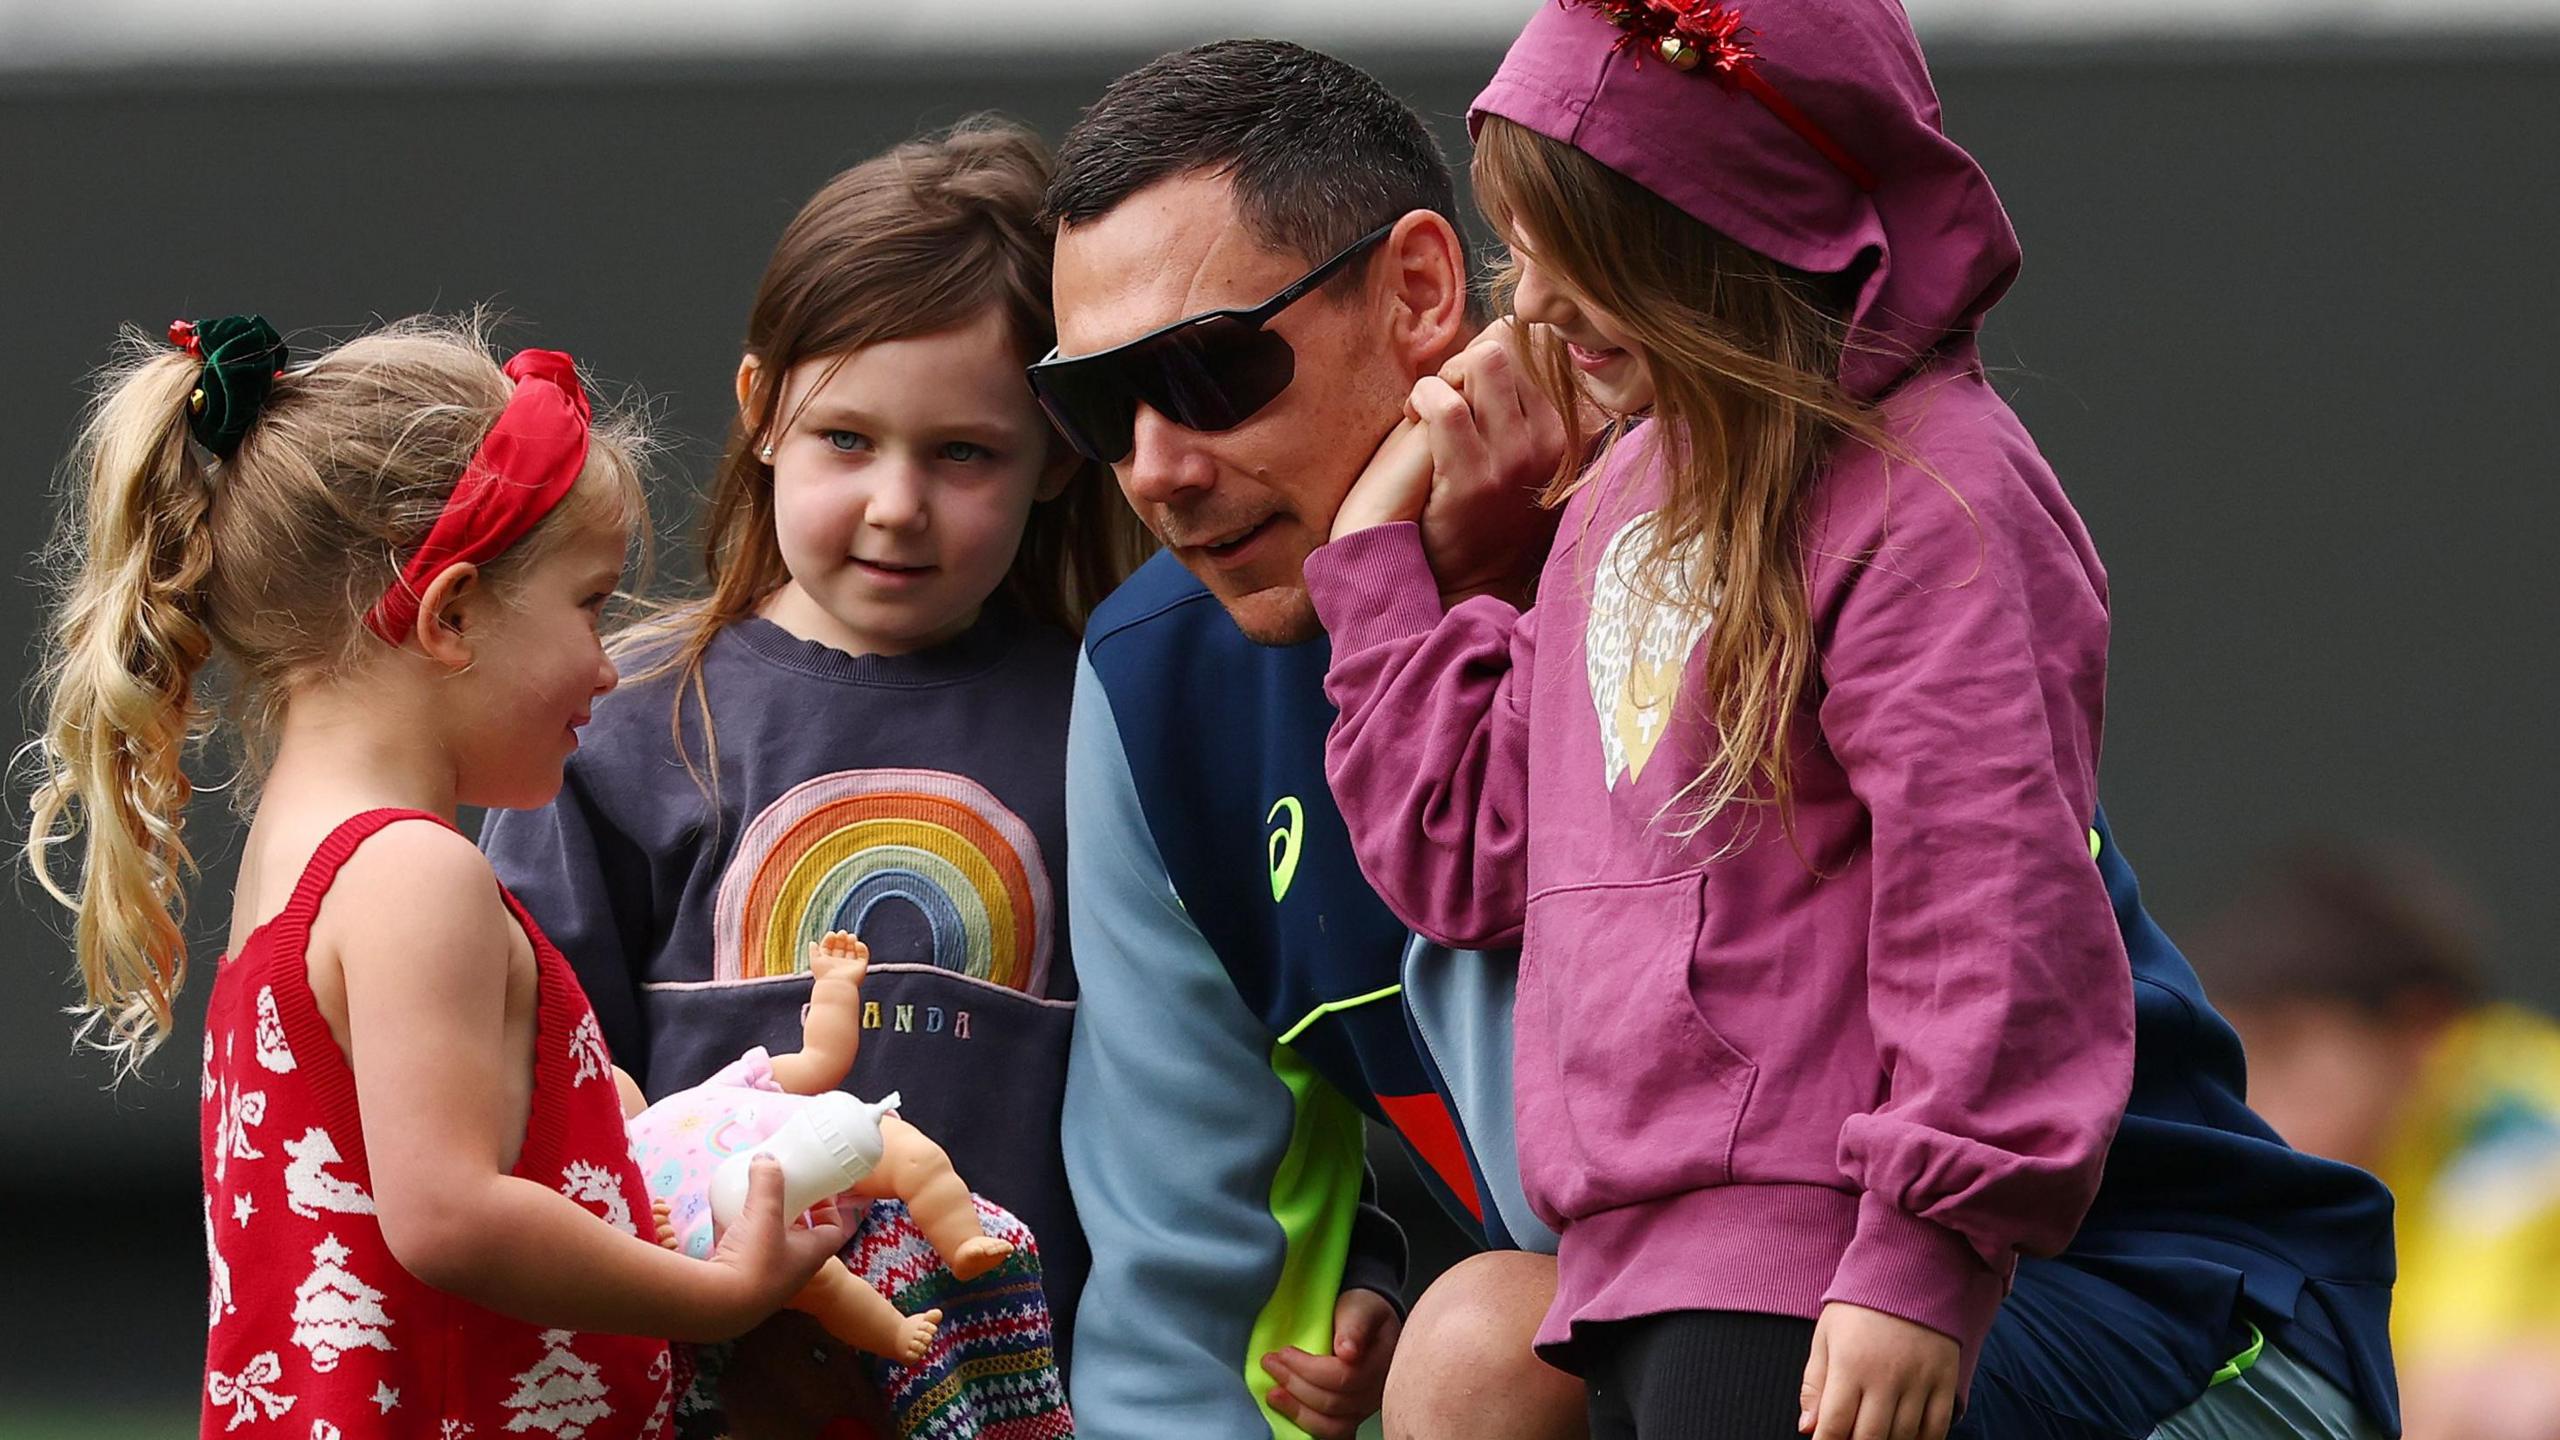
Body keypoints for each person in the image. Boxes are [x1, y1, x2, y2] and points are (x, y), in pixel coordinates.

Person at [1309, 2, 2404, 1438]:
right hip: (1653, 1263)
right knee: (1473, 1363)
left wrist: (1919, 1259)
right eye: (1524, 246)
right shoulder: (1626, 498)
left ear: (1731, 236)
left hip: (1889, 1270)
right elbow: (1466, 855)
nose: (1539, 306)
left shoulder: (1935, 491)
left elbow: (1991, 907)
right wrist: (1380, 568)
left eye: (1594, 250)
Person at [23, 314, 842, 1437]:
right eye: (591, 604)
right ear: (451, 613)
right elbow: (449, 1215)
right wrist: (718, 1294)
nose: (608, 666)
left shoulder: (295, 851)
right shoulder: (412, 872)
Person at [482, 118, 1150, 1437]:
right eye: (847, 438)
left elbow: (1221, 1072)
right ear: (761, 411)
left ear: (1059, 456)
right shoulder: (615, 722)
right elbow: (530, 1102)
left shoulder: (1114, 721)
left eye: (963, 452)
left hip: (1019, 1396)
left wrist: (1350, 1270)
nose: (898, 501)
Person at [1037, 40, 1583, 1440]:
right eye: (1098, 408)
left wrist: (1424, 589)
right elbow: (1179, 1309)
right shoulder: (1156, 683)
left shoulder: (1682, 534)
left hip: (2012, 1315)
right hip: (1652, 1342)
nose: (1156, 469)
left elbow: (1608, 1190)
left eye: (1210, 370)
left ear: (1421, 292)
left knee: (1489, 1347)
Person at [2190, 842, 2560, 1440]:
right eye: (2238, 1055)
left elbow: (2437, 1410)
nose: (2253, 1096)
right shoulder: (2322, 1169)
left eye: (2285, 1047)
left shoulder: (2524, 1124)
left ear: (2421, 1030)